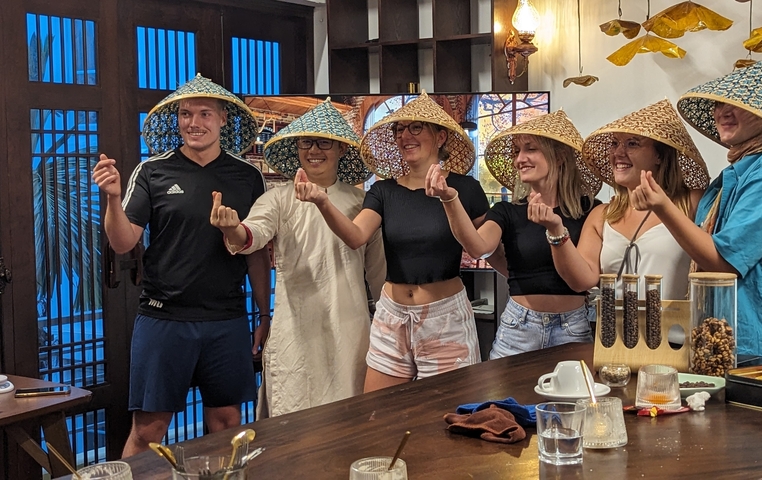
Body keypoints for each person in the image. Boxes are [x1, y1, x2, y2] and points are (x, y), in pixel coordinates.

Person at [92, 74, 270, 457]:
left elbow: (256, 251)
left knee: (227, 424)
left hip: (225, 319)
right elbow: (123, 242)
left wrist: (265, 313)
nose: (194, 122)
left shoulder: (248, 176)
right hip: (164, 317)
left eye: (205, 113)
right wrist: (112, 199)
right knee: (148, 430)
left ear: (223, 119)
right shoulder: (153, 171)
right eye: (186, 114)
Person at [631, 55, 762, 358]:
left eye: (738, 103)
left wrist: (662, 207)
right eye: (718, 104)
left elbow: (725, 262)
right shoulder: (734, 175)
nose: (722, 112)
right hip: (735, 345)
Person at [295, 92, 489, 392]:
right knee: (377, 410)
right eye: (399, 129)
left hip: (445, 318)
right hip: (392, 315)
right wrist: (322, 202)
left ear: (440, 137)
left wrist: (448, 198)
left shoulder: (465, 188)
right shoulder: (384, 191)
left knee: (445, 413)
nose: (404, 136)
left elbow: (482, 247)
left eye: (416, 128)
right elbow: (356, 236)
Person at [209, 99, 386, 417]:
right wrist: (233, 229)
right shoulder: (279, 198)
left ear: (341, 149)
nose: (314, 150)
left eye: (324, 142)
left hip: (350, 329)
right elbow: (252, 235)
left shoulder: (362, 202)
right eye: (306, 142)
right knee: (294, 419)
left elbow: (378, 274)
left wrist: (387, 327)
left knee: (349, 420)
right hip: (296, 329)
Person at [425, 110, 602, 359]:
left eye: (530, 149)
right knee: (500, 388)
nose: (520, 159)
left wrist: (555, 229)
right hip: (518, 328)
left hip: (572, 328)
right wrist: (450, 199)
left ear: (560, 155)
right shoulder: (507, 211)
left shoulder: (590, 210)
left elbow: (585, 279)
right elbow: (478, 247)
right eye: (517, 151)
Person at [555, 99, 710, 302]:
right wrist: (555, 232)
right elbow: (581, 281)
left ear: (660, 155)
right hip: (615, 323)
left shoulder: (692, 202)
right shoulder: (602, 215)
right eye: (614, 143)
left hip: (676, 322)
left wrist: (663, 207)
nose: (618, 153)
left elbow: (716, 263)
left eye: (632, 144)